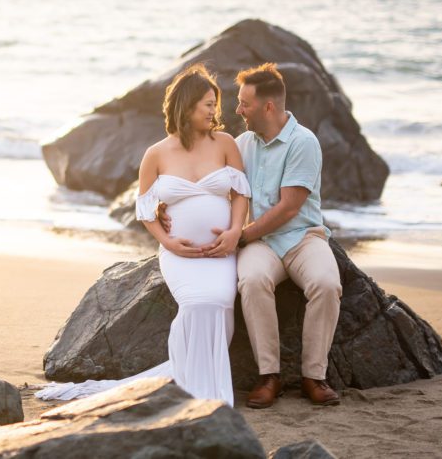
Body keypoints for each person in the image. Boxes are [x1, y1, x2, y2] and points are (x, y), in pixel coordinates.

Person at [36, 64, 250, 404]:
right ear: (187, 104)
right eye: (208, 104)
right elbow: (145, 209)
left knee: (220, 301)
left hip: (220, 251)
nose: (215, 111)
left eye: (215, 104)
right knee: (196, 303)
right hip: (180, 254)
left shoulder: (225, 144)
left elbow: (241, 194)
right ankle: (195, 382)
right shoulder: (156, 154)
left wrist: (234, 232)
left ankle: (194, 376)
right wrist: (167, 242)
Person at [204, 62, 342, 408]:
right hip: (263, 243)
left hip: (302, 237)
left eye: (244, 103)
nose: (237, 110)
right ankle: (270, 376)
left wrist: (241, 236)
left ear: (268, 106)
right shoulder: (241, 144)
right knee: (251, 281)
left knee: (326, 285)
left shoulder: (303, 142)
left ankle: (314, 376)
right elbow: (215, 186)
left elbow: (289, 208)